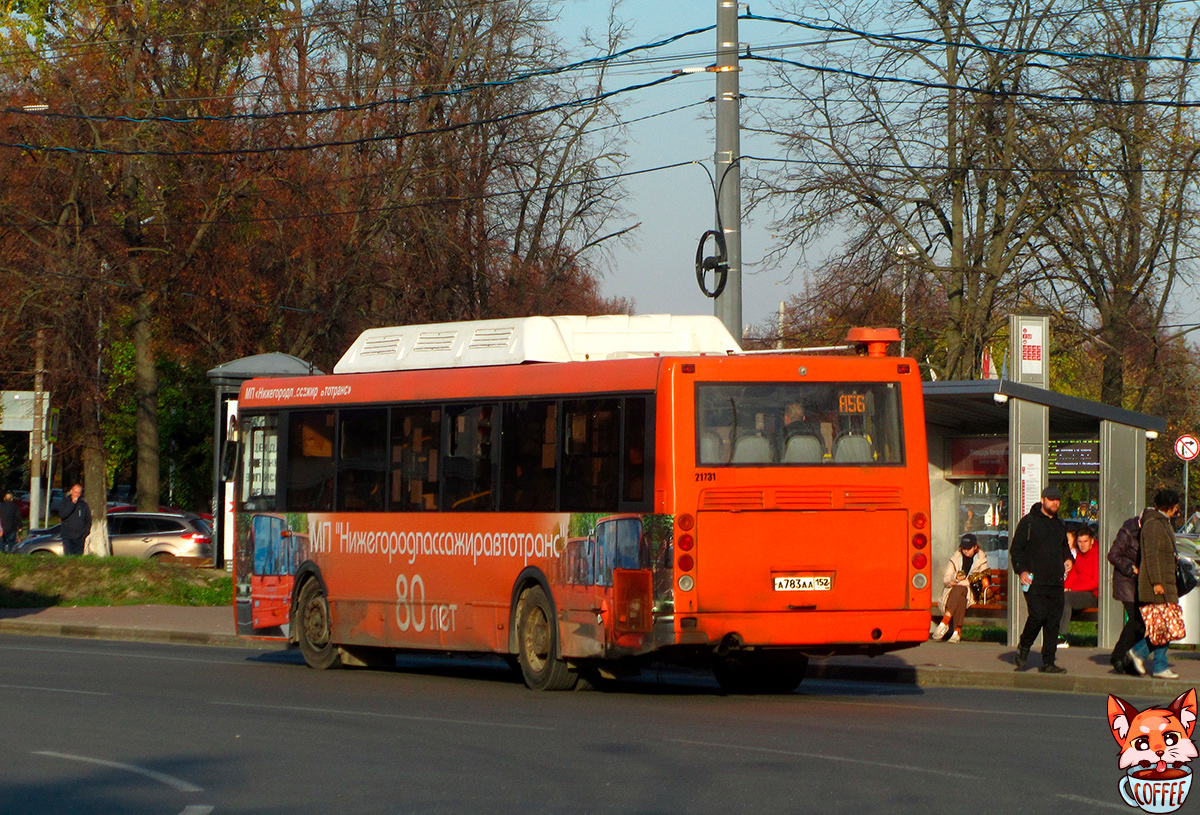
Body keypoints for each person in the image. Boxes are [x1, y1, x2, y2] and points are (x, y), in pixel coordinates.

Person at [1010, 485, 1073, 673]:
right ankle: (1024, 648)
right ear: (1043, 499)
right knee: (1037, 616)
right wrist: (1021, 571)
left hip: (1055, 581)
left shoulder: (1059, 524)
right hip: (1034, 581)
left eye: (1058, 500)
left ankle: (1048, 661)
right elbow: (1016, 550)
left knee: (1053, 621)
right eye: (1052, 499)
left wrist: (1068, 559)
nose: (1055, 503)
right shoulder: (1029, 522)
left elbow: (1064, 548)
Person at [1127, 489, 1183, 679]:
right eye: (1176, 506)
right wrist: (1157, 583)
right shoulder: (1154, 525)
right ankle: (1154, 662)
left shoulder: (1161, 523)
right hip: (1157, 585)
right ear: (1170, 507)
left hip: (1165, 582)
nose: (1177, 510)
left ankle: (1147, 658)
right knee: (1163, 626)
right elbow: (1151, 556)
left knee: (1164, 626)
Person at [933, 533, 990, 643]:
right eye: (964, 548)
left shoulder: (981, 559)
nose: (966, 551)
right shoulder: (955, 559)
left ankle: (945, 621)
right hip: (953, 591)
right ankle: (956, 632)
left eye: (969, 548)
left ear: (975, 547)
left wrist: (962, 582)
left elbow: (982, 578)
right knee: (960, 597)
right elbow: (946, 579)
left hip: (972, 592)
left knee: (961, 589)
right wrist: (955, 577)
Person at [1108, 515, 1145, 674]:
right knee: (1136, 619)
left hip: (1139, 582)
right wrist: (1130, 568)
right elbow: (1113, 555)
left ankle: (1127, 657)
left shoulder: (1147, 532)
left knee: (1141, 622)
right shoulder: (1128, 531)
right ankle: (1119, 655)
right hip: (1126, 581)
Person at [1058, 525, 1099, 648]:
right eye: (1080, 542)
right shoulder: (1080, 555)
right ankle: (1050, 634)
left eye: (1085, 541)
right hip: (1079, 592)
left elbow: (1094, 582)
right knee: (1059, 596)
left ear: (1092, 540)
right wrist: (1065, 587)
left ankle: (1061, 636)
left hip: (1093, 595)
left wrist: (1072, 589)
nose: (1082, 545)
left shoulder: (1097, 553)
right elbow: (1074, 573)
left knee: (1067, 599)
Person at [59, 483, 91, 557]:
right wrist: (72, 504)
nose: (77, 495)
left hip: (80, 537)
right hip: (68, 537)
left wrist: (84, 534)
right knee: (69, 557)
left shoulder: (83, 505)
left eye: (79, 493)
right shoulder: (64, 503)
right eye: (75, 492)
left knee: (78, 557)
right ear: (71, 491)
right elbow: (63, 515)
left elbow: (88, 520)